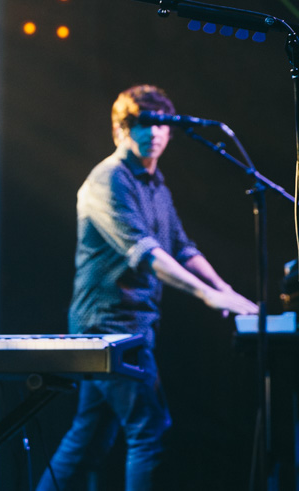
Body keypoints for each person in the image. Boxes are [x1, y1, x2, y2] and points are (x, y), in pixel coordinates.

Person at [37, 85, 258, 491]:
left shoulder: (156, 185)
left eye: (161, 125)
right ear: (121, 130)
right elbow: (146, 253)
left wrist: (225, 289)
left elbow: (182, 247)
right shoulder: (108, 180)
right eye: (143, 124)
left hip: (134, 328)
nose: (154, 132)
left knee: (87, 440)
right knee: (150, 429)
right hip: (107, 329)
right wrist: (207, 295)